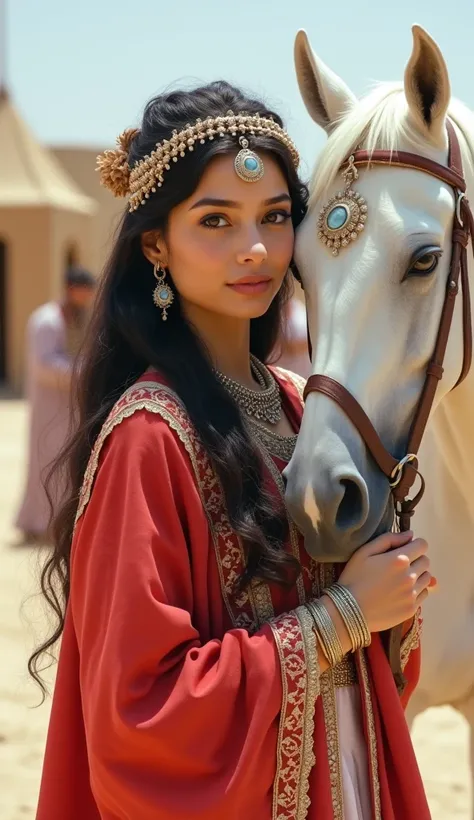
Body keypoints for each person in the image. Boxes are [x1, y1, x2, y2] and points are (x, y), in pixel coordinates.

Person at [32, 82, 433, 820]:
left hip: (346, 775)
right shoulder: (149, 437)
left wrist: (392, 598)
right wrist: (345, 611)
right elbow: (140, 711)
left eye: (275, 218)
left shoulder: (298, 403)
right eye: (215, 221)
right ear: (156, 243)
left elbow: (360, 647)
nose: (255, 249)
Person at [15, 266, 96, 543]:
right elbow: (44, 364)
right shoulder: (46, 320)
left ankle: (51, 521)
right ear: (72, 288)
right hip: (49, 404)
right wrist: (84, 370)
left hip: (67, 404)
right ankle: (38, 523)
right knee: (45, 462)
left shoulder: (76, 316)